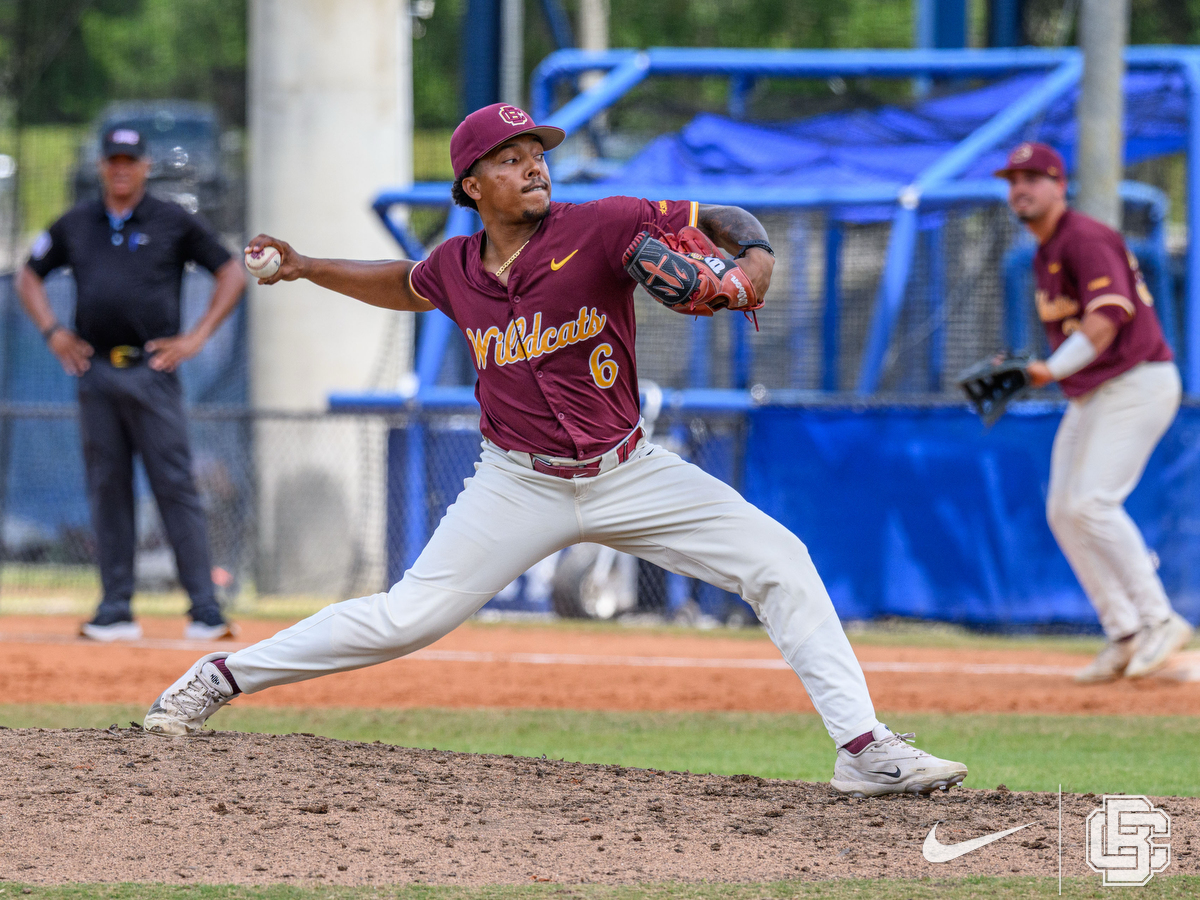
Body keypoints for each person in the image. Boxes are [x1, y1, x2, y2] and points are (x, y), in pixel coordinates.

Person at [143, 103, 967, 797]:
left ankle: (863, 752)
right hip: (516, 483)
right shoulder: (457, 267)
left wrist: (749, 269)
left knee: (778, 559)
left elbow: (725, 220)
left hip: (629, 470)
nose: (534, 166)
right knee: (403, 619)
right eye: (510, 157)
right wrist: (307, 265)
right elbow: (404, 284)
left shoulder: (604, 225)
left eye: (537, 153)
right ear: (471, 185)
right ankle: (221, 676)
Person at [17, 127, 245, 642]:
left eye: (130, 160)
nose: (121, 169)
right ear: (102, 165)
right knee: (107, 486)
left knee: (175, 485)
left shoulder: (172, 220)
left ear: (145, 166)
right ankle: (115, 609)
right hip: (94, 371)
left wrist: (197, 337)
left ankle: (205, 610)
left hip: (153, 371)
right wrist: (54, 332)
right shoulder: (78, 223)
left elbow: (230, 271)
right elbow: (30, 274)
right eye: (113, 160)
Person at [997, 141, 1194, 682]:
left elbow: (1105, 321)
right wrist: (1033, 367)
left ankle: (1161, 620)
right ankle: (1126, 633)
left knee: (1093, 503)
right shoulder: (1044, 253)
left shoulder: (1085, 238)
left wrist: (1048, 369)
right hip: (1094, 392)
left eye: (1034, 177)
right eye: (1014, 179)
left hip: (1137, 380)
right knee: (1064, 509)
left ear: (1061, 186)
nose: (1021, 187)